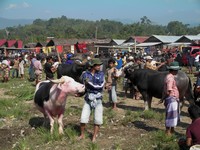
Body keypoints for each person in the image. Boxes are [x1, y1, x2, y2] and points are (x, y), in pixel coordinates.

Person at [78, 58, 105, 142]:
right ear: (93, 66)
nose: (99, 67)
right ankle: (82, 134)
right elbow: (84, 84)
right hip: (88, 98)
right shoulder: (86, 74)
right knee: (83, 118)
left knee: (97, 119)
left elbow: (100, 86)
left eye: (99, 65)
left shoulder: (101, 74)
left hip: (98, 99)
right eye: (98, 65)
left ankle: (94, 137)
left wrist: (89, 84)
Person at [162, 61, 181, 136]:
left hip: (172, 98)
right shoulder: (170, 78)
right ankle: (168, 131)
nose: (177, 71)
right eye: (176, 70)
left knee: (173, 114)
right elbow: (169, 89)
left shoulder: (169, 76)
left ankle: (172, 129)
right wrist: (170, 97)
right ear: (174, 70)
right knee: (171, 115)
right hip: (172, 98)